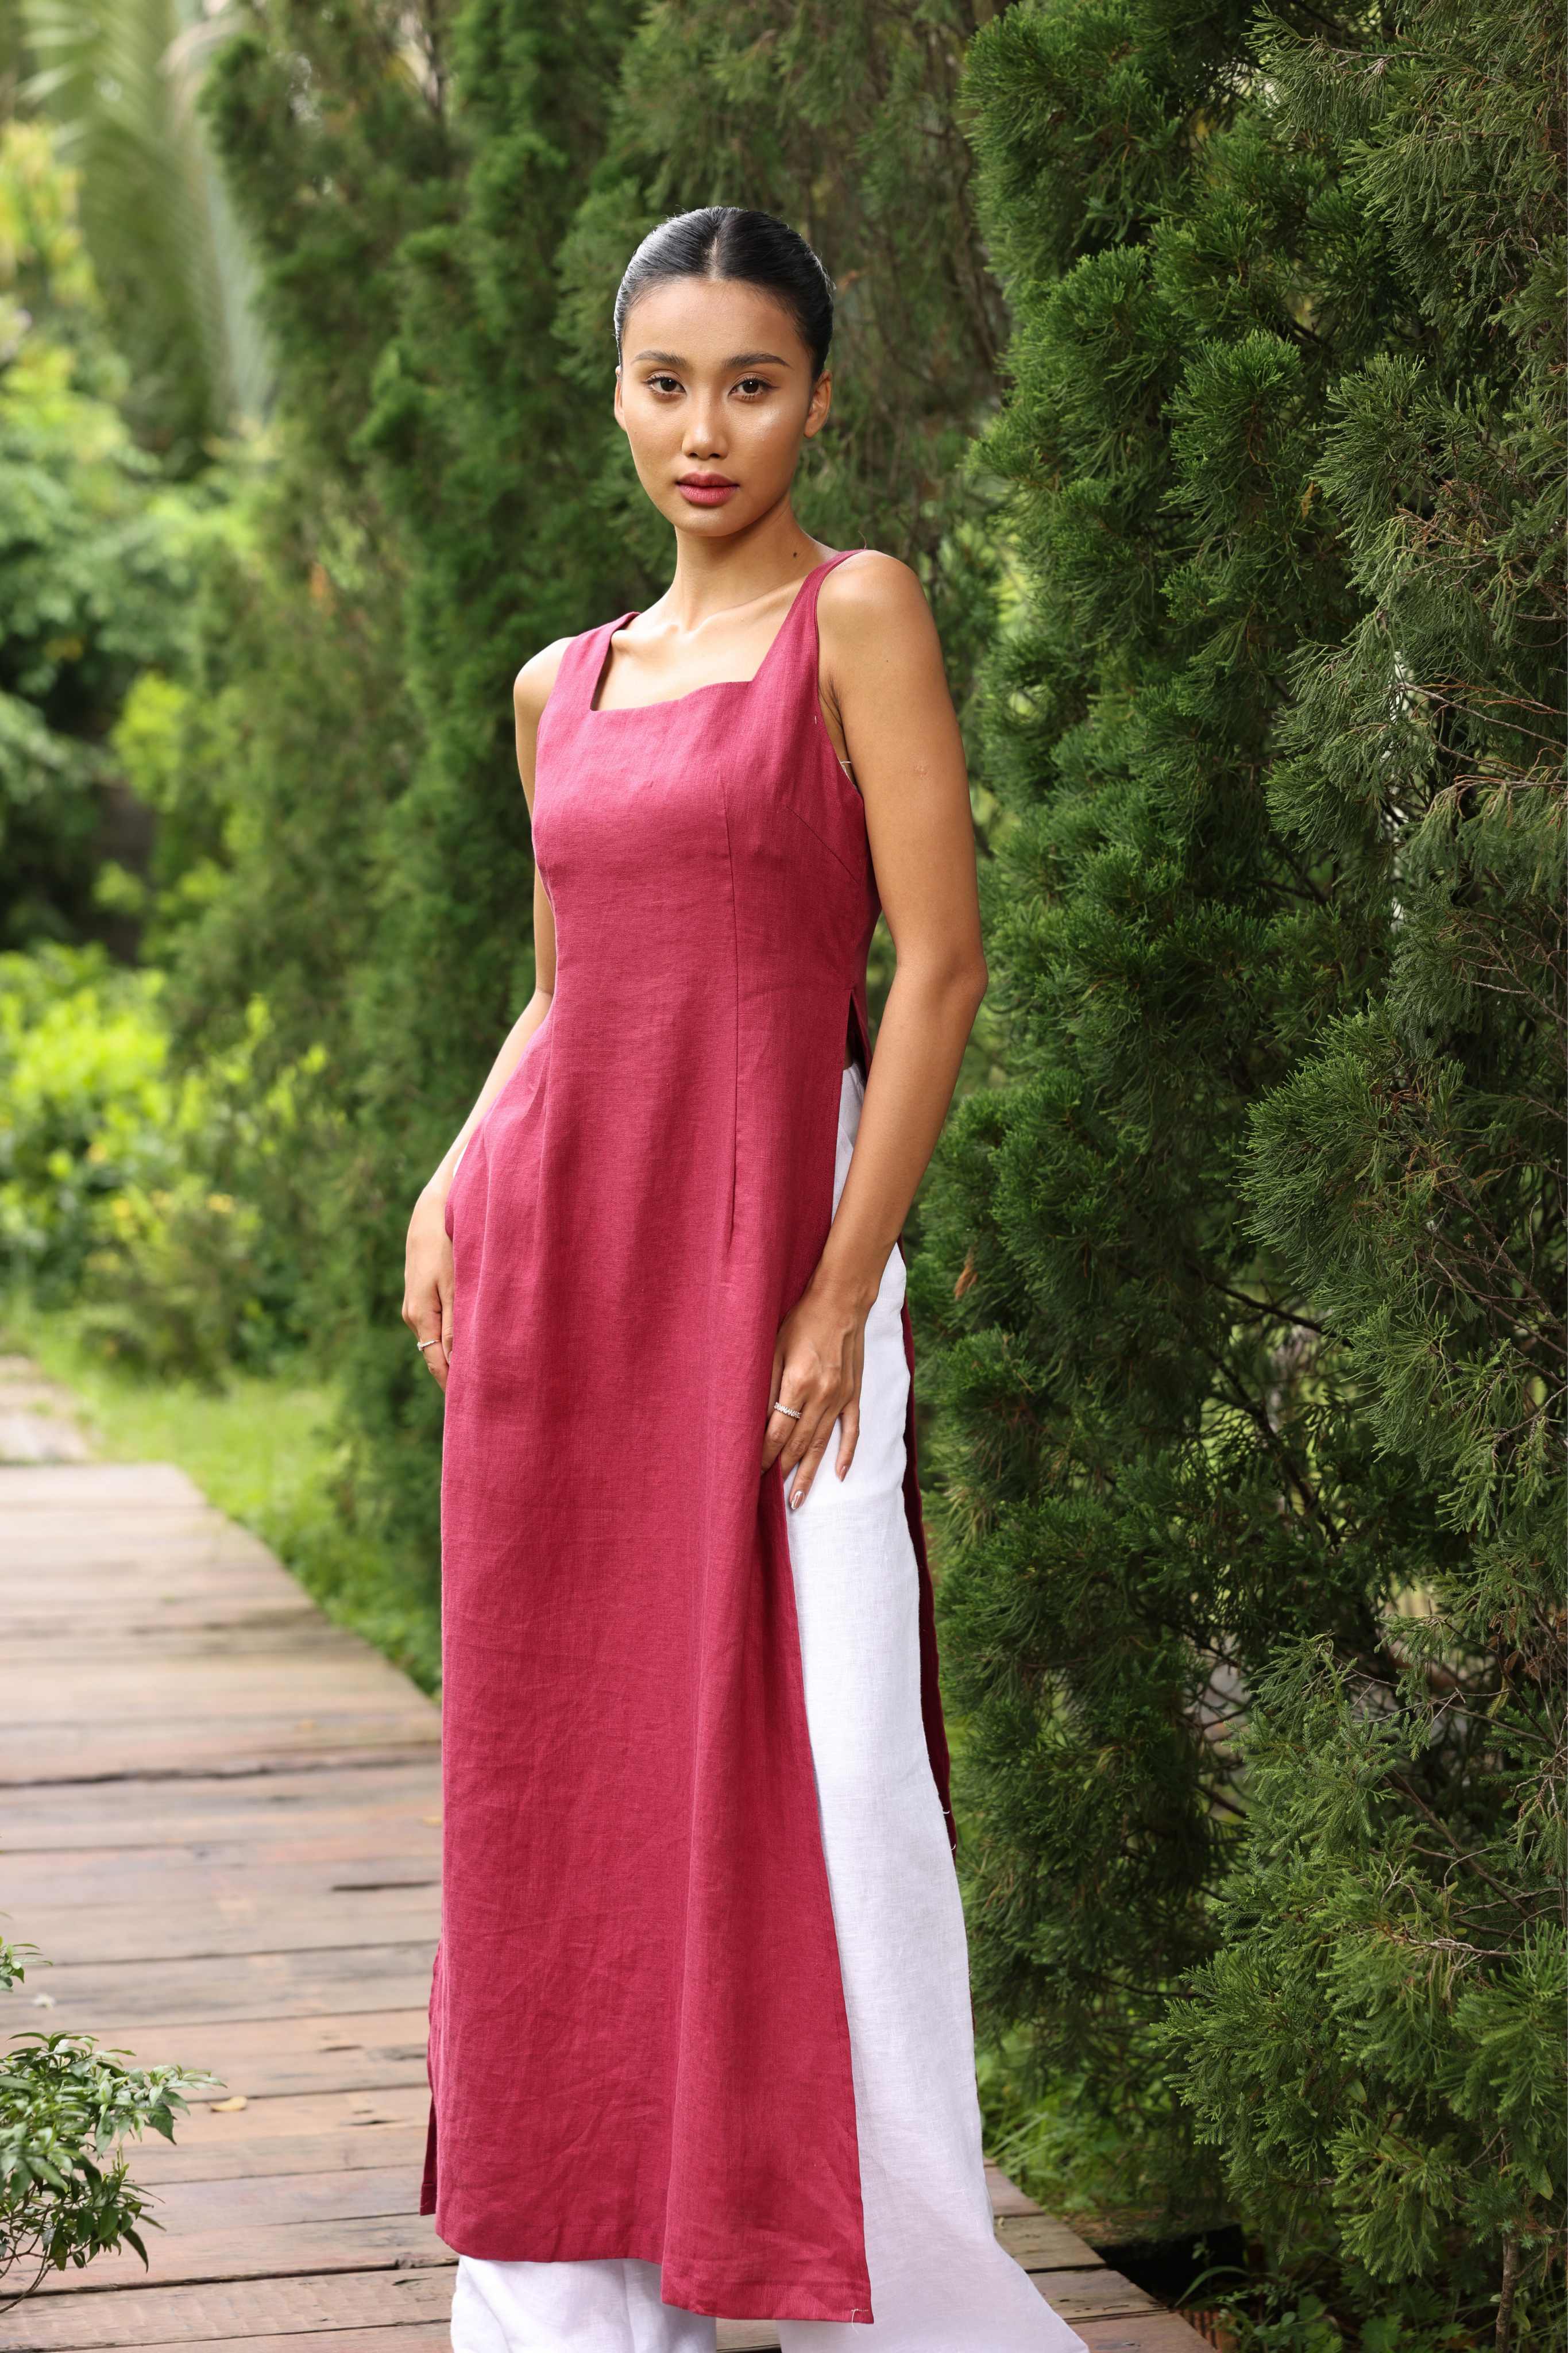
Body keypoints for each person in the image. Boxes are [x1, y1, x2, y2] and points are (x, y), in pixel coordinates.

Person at [402, 206, 1087, 2353]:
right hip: (561, 1288)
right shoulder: (559, 687)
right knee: (556, 1768)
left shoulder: (856, 618)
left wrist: (831, 1292)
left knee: (832, 1761)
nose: (704, 429)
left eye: (753, 384)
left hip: (771, 1261)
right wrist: (448, 1178)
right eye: (664, 383)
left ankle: (879, 2278)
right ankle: (581, 2306)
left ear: (819, 397)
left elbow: (941, 971)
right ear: (615, 393)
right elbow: (563, 1001)